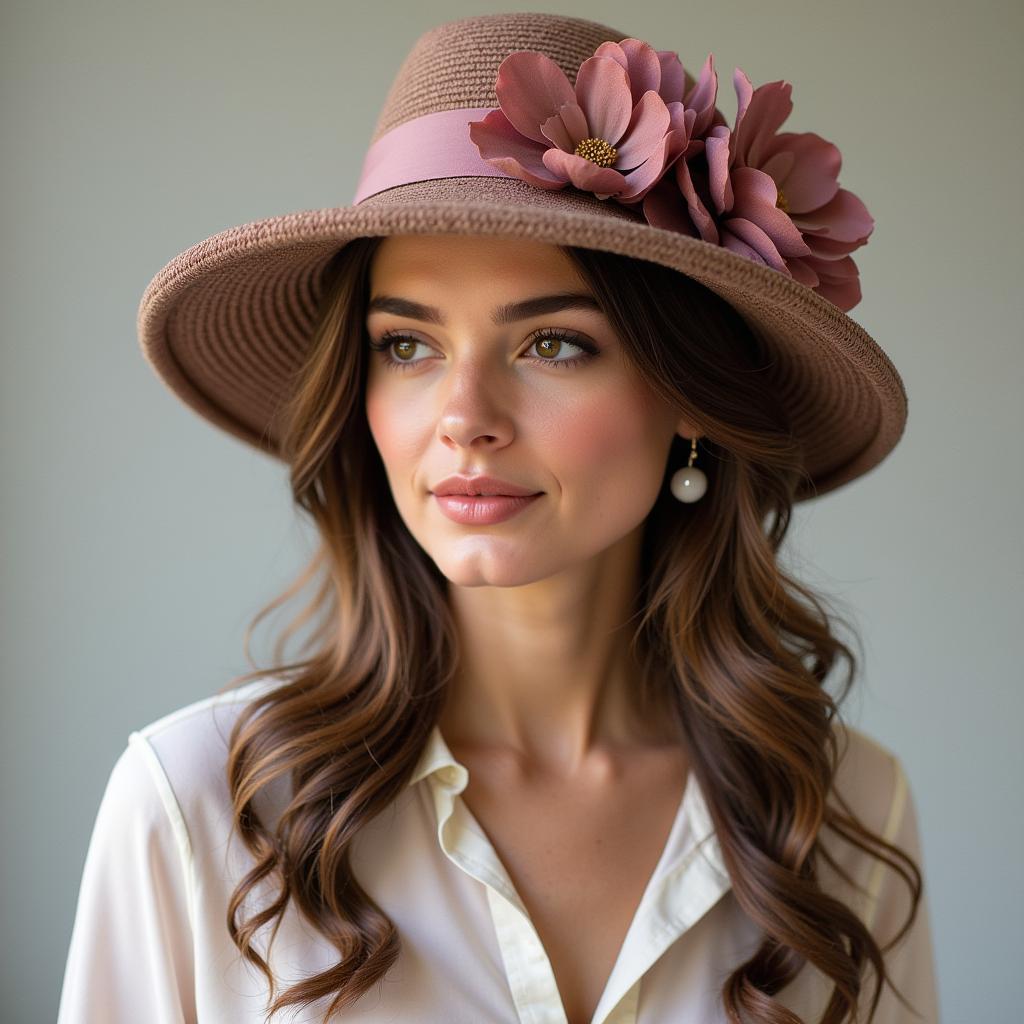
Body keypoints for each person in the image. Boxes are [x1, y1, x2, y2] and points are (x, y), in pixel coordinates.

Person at [56, 12, 940, 1024]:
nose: (464, 420)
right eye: (405, 346)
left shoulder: (843, 812)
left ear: (689, 392)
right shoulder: (195, 807)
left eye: (553, 345)